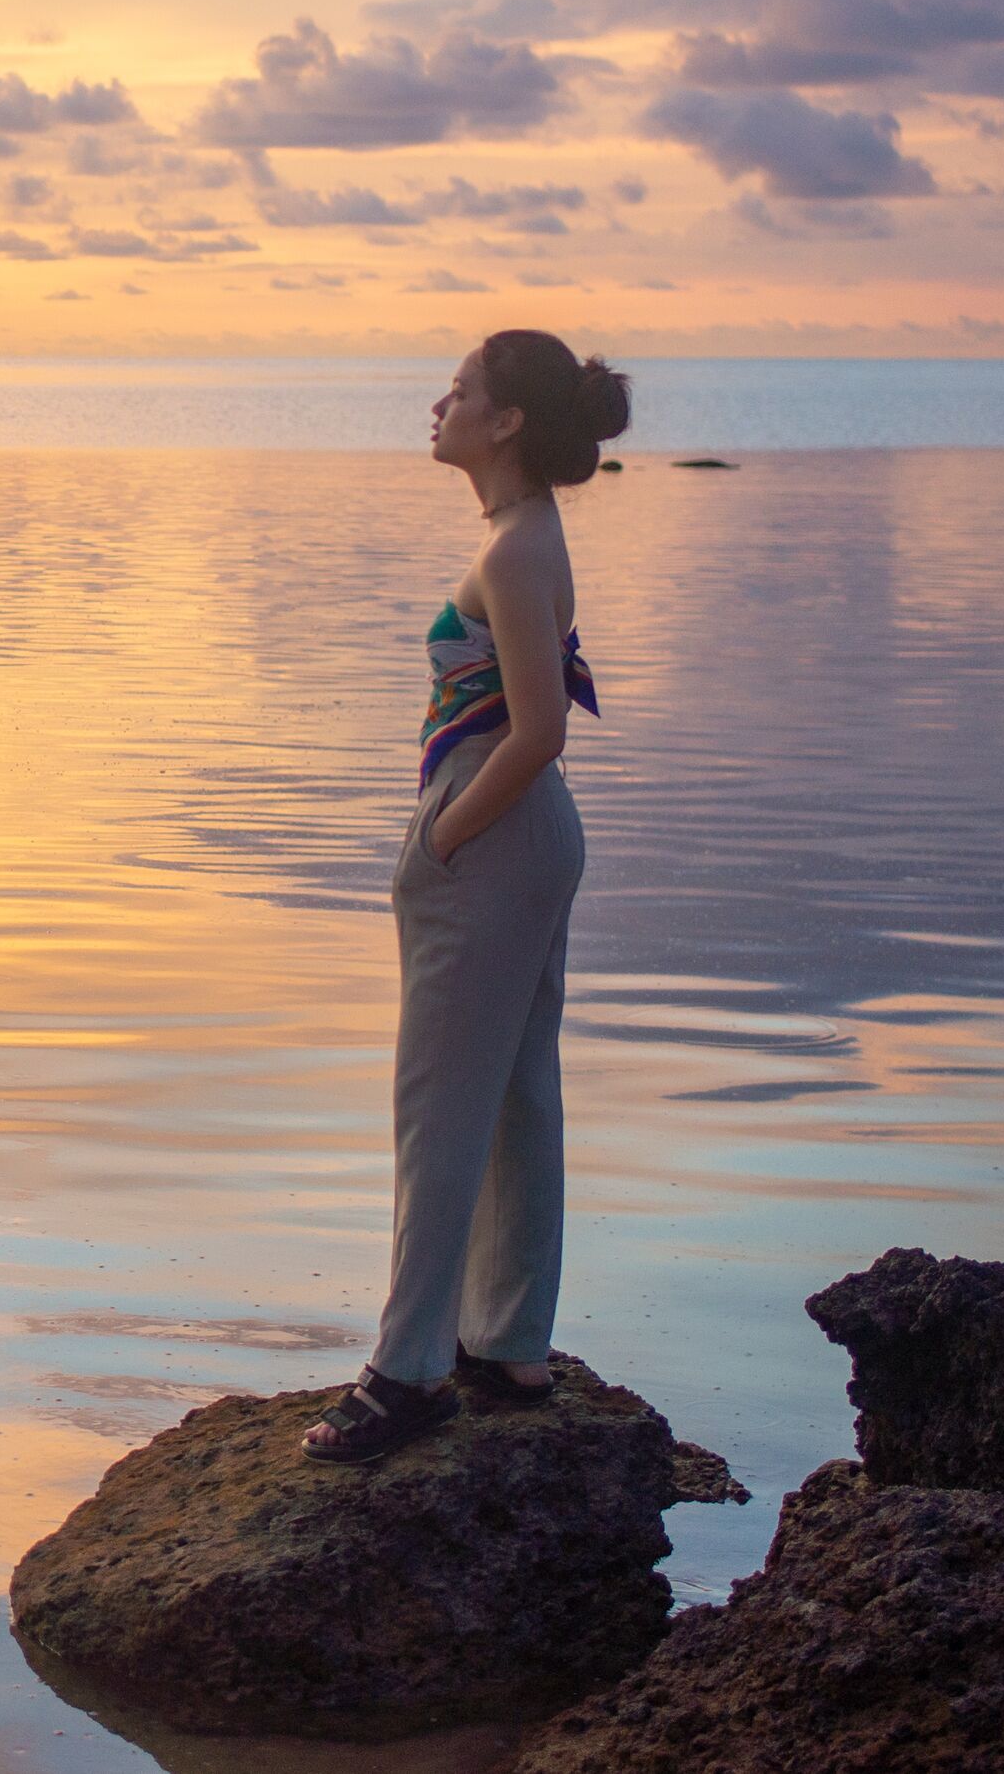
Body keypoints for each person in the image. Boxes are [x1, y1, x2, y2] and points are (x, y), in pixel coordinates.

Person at [304, 330, 633, 1464]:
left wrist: (443, 835)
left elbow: (536, 733)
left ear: (503, 424)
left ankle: (407, 1372)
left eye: (460, 391)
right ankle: (506, 1344)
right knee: (513, 1094)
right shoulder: (524, 536)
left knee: (438, 1107)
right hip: (525, 843)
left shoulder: (510, 553)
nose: (437, 403)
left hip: (491, 838)